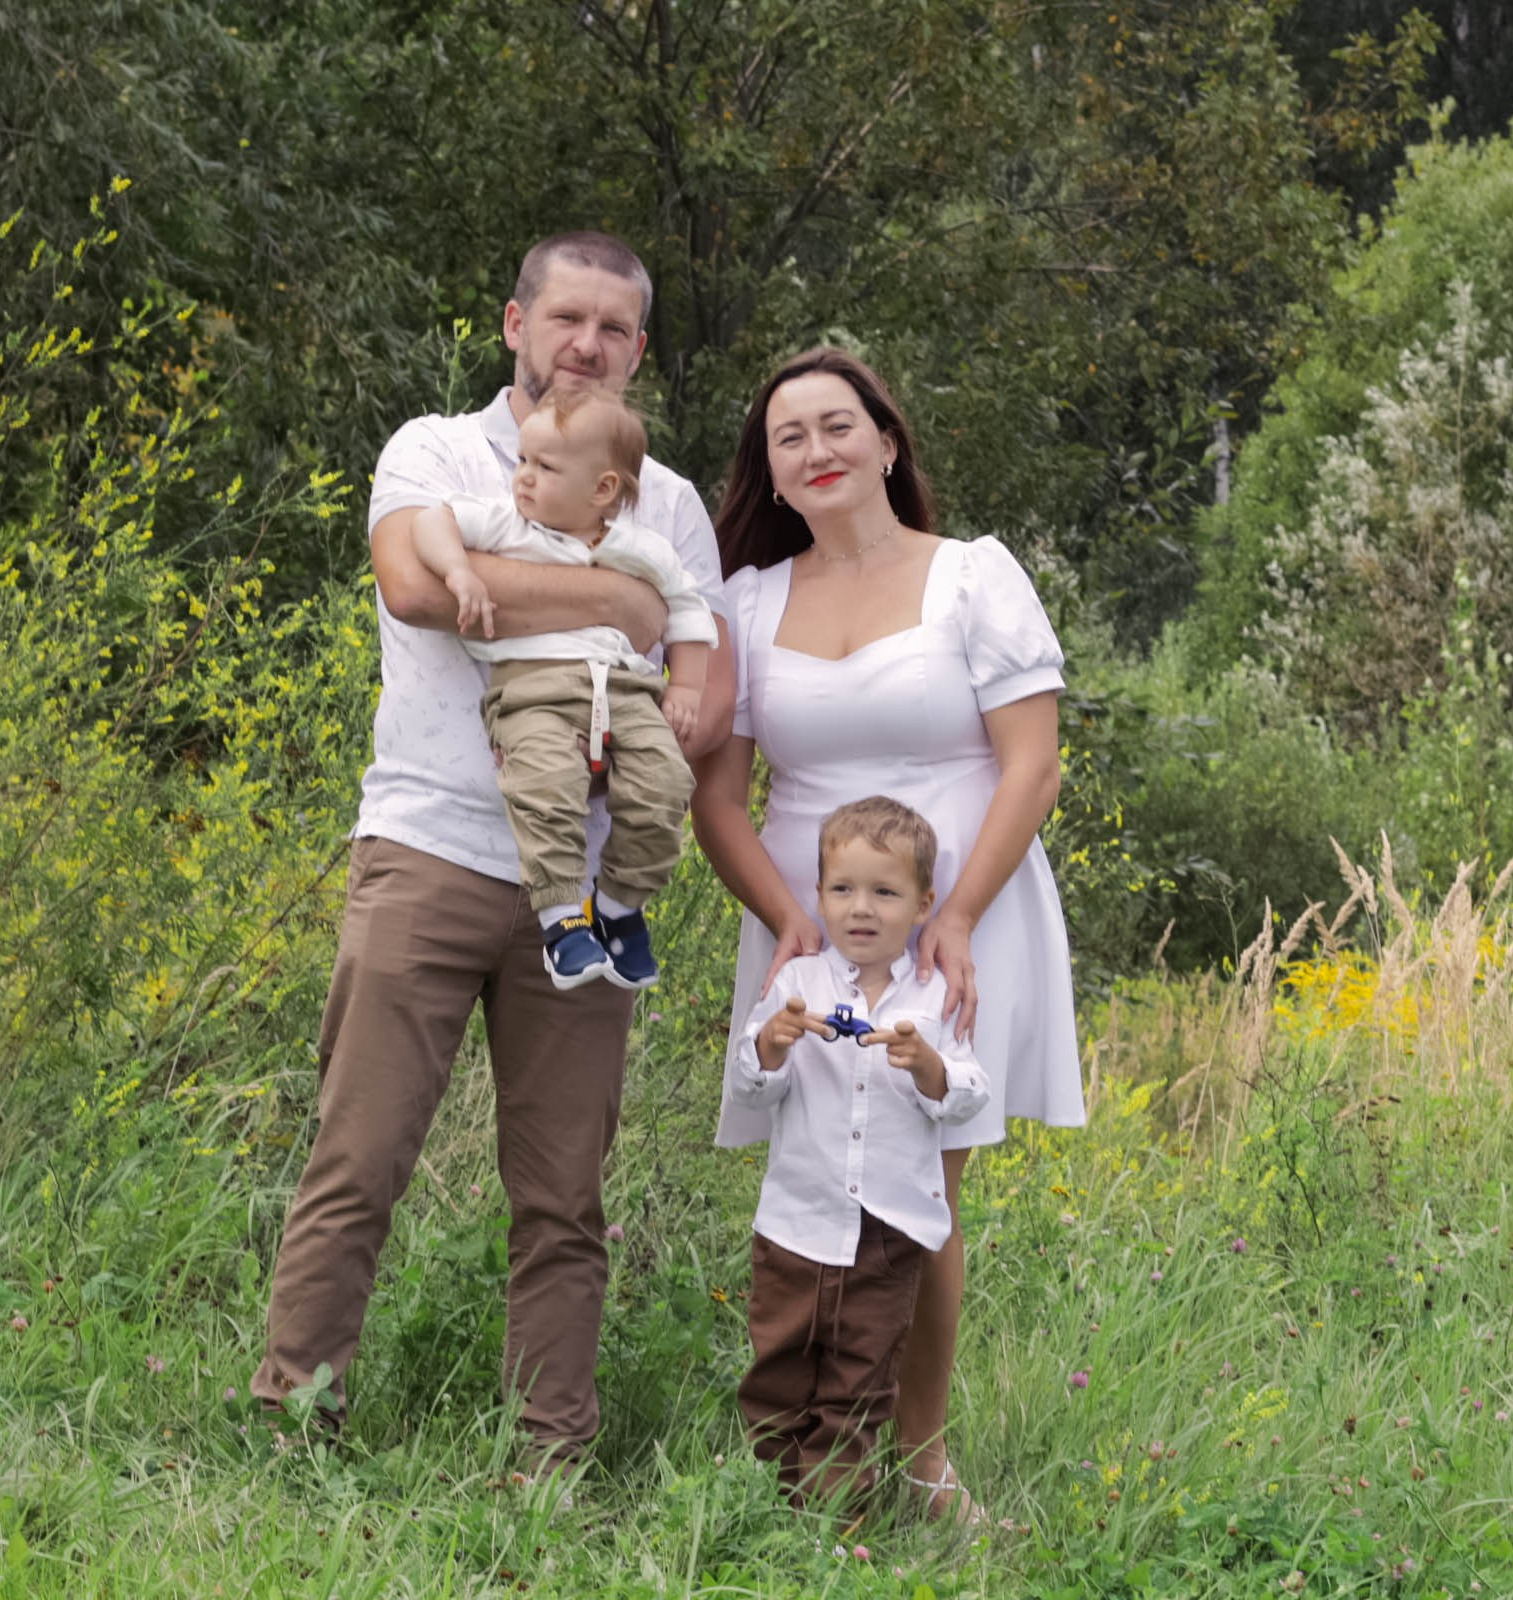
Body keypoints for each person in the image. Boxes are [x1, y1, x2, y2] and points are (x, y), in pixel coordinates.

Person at [251, 232, 732, 1484]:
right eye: (565, 317)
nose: (587, 342)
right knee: (359, 1158)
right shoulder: (436, 450)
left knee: (564, 1194)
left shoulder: (666, 499)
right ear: (514, 322)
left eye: (614, 328)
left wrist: (607, 612)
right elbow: (416, 588)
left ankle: (550, 1459)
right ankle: (293, 1424)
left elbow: (704, 672)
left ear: (638, 349)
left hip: (583, 881)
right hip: (430, 849)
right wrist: (615, 606)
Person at [691, 346, 1082, 1523]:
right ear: (772, 469)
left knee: (923, 1186)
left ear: (887, 440)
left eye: (836, 425)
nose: (816, 451)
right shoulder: (748, 599)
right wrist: (785, 916)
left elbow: (1034, 759)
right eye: (787, 438)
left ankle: (922, 1462)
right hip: (815, 911)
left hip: (962, 908)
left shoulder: (972, 575)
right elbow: (719, 799)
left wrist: (957, 911)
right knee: (820, 1181)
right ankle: (812, 1447)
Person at [728, 797, 989, 1507]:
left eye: (885, 892)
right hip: (796, 1226)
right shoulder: (797, 983)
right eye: (842, 890)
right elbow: (750, 1089)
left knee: (862, 1378)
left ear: (923, 902)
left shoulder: (936, 993)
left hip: (886, 1235)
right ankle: (768, 1502)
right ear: (818, 895)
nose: (860, 909)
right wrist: (769, 1046)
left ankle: (833, 1520)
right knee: (778, 1371)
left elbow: (968, 1092)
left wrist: (929, 1065)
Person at [410, 387, 715, 988]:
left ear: (602, 489)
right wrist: (458, 569)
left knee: (666, 785)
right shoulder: (506, 525)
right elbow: (432, 520)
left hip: (627, 692)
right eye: (522, 460)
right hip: (533, 692)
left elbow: (688, 611)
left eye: (543, 467)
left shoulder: (642, 550)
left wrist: (688, 688)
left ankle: (619, 907)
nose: (522, 478)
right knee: (547, 786)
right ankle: (562, 919)